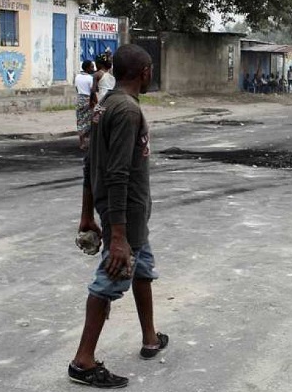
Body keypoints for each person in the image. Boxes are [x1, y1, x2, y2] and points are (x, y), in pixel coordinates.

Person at [68, 44, 168, 389]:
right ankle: (83, 361)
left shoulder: (105, 105)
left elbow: (89, 163)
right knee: (112, 277)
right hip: (125, 216)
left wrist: (86, 216)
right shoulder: (125, 111)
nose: (151, 74)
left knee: (143, 269)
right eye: (150, 69)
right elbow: (117, 173)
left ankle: (150, 338)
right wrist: (118, 236)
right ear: (143, 72)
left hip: (123, 216)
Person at [74, 60, 95, 151]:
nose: (93, 69)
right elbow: (92, 92)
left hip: (79, 99)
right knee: (90, 121)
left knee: (80, 120)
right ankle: (90, 142)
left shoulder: (77, 76)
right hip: (88, 100)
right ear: (87, 68)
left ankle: (82, 143)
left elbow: (76, 88)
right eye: (91, 67)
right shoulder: (90, 78)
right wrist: (94, 102)